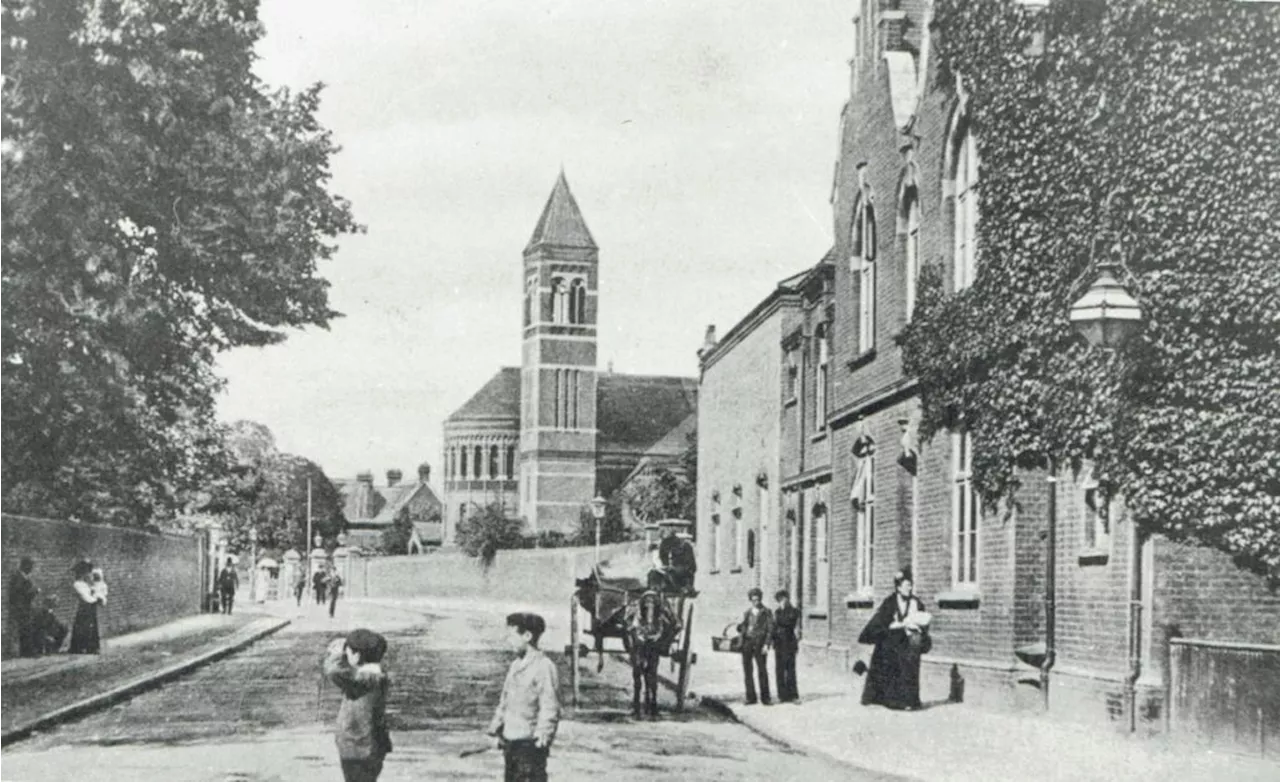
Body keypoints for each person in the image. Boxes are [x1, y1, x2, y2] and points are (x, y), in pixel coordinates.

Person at [487, 612, 561, 782]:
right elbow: (504, 701)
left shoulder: (544, 666)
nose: (508, 640)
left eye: (511, 635)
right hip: (510, 741)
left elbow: (550, 704)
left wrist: (544, 733)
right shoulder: (515, 666)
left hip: (530, 743)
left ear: (527, 636)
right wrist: (495, 728)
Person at [857, 567, 932, 711]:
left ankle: (911, 700)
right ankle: (892, 700)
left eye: (910, 586)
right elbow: (881, 623)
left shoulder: (916, 602)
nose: (909, 589)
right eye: (906, 586)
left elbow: (923, 619)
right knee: (890, 663)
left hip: (910, 642)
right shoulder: (890, 602)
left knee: (911, 669)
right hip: (892, 642)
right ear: (898, 587)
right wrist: (898, 624)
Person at [323, 628, 392, 782]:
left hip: (358, 747)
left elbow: (333, 671)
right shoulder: (374, 674)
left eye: (348, 653)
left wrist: (336, 654)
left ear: (357, 655)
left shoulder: (365, 679)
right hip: (368, 746)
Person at [736, 587, 773, 705]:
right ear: (750, 600)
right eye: (753, 600)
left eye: (757, 600)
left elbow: (770, 630)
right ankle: (750, 697)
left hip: (760, 644)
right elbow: (743, 628)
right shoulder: (747, 613)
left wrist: (767, 644)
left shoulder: (766, 612)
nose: (755, 602)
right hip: (747, 643)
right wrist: (741, 629)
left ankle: (765, 698)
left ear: (760, 599)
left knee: (762, 670)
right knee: (747, 671)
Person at [68, 560, 105, 654]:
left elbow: (94, 592)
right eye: (85, 572)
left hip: (90, 607)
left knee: (90, 627)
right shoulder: (77, 584)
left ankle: (91, 647)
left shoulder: (86, 584)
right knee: (83, 627)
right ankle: (80, 647)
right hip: (84, 608)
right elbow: (85, 597)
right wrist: (95, 598)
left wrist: (97, 595)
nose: (87, 574)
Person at [772, 589, 801, 703]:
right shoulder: (777, 612)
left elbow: (789, 623)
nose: (782, 602)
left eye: (784, 599)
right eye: (780, 600)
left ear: (788, 599)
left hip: (789, 642)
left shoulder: (794, 611)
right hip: (778, 643)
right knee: (779, 669)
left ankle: (793, 695)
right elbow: (774, 626)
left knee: (790, 669)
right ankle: (782, 695)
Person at [7, 556, 39, 657]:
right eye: (30, 566)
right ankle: (27, 652)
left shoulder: (23, 576)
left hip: (25, 607)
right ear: (25, 565)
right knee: (25, 628)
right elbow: (19, 593)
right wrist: (34, 591)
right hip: (20, 607)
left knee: (26, 628)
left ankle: (26, 651)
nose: (31, 569)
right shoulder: (18, 577)